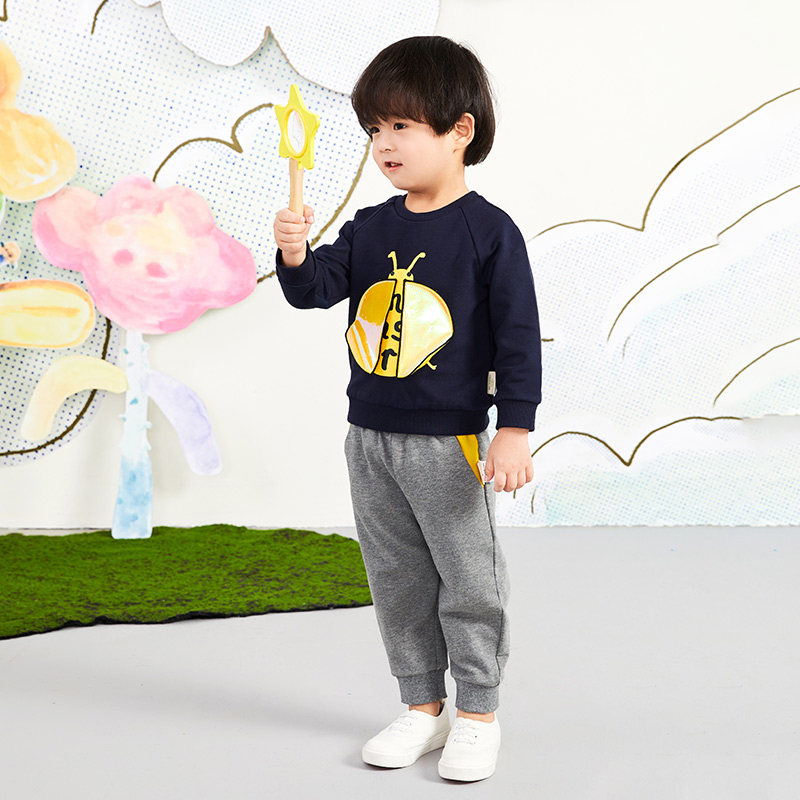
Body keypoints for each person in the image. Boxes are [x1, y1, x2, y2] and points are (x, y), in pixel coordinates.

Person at [273, 35, 542, 783]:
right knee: (395, 578)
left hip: (449, 443)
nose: (384, 144)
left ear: (460, 130)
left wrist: (514, 429)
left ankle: (478, 712)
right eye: (374, 128)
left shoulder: (490, 232)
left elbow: (518, 338)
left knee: (469, 579)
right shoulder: (370, 226)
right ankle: (422, 706)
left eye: (401, 125)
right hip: (369, 439)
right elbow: (317, 289)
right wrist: (295, 254)